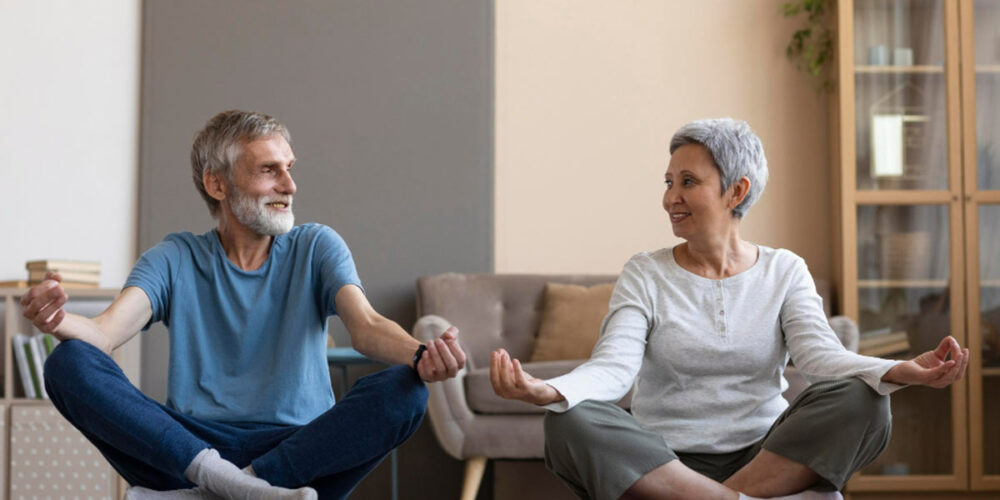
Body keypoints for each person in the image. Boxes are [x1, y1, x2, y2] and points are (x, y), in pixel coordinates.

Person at [489, 118, 969, 500]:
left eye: (689, 181)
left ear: (736, 192)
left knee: (865, 398)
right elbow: (614, 369)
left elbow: (822, 359)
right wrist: (549, 389)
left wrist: (896, 369)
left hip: (767, 456)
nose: (669, 197)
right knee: (569, 421)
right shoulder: (645, 273)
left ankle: (716, 496)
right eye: (669, 181)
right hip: (665, 461)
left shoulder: (784, 270)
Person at [20, 110, 467, 500]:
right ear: (217, 183)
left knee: (405, 390)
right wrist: (58, 320)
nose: (289, 185)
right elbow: (103, 334)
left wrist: (420, 354)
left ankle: (232, 488)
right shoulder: (175, 257)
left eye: (289, 168)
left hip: (297, 452)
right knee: (68, 361)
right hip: (189, 449)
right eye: (269, 170)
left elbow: (365, 326)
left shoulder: (315, 246)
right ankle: (225, 483)